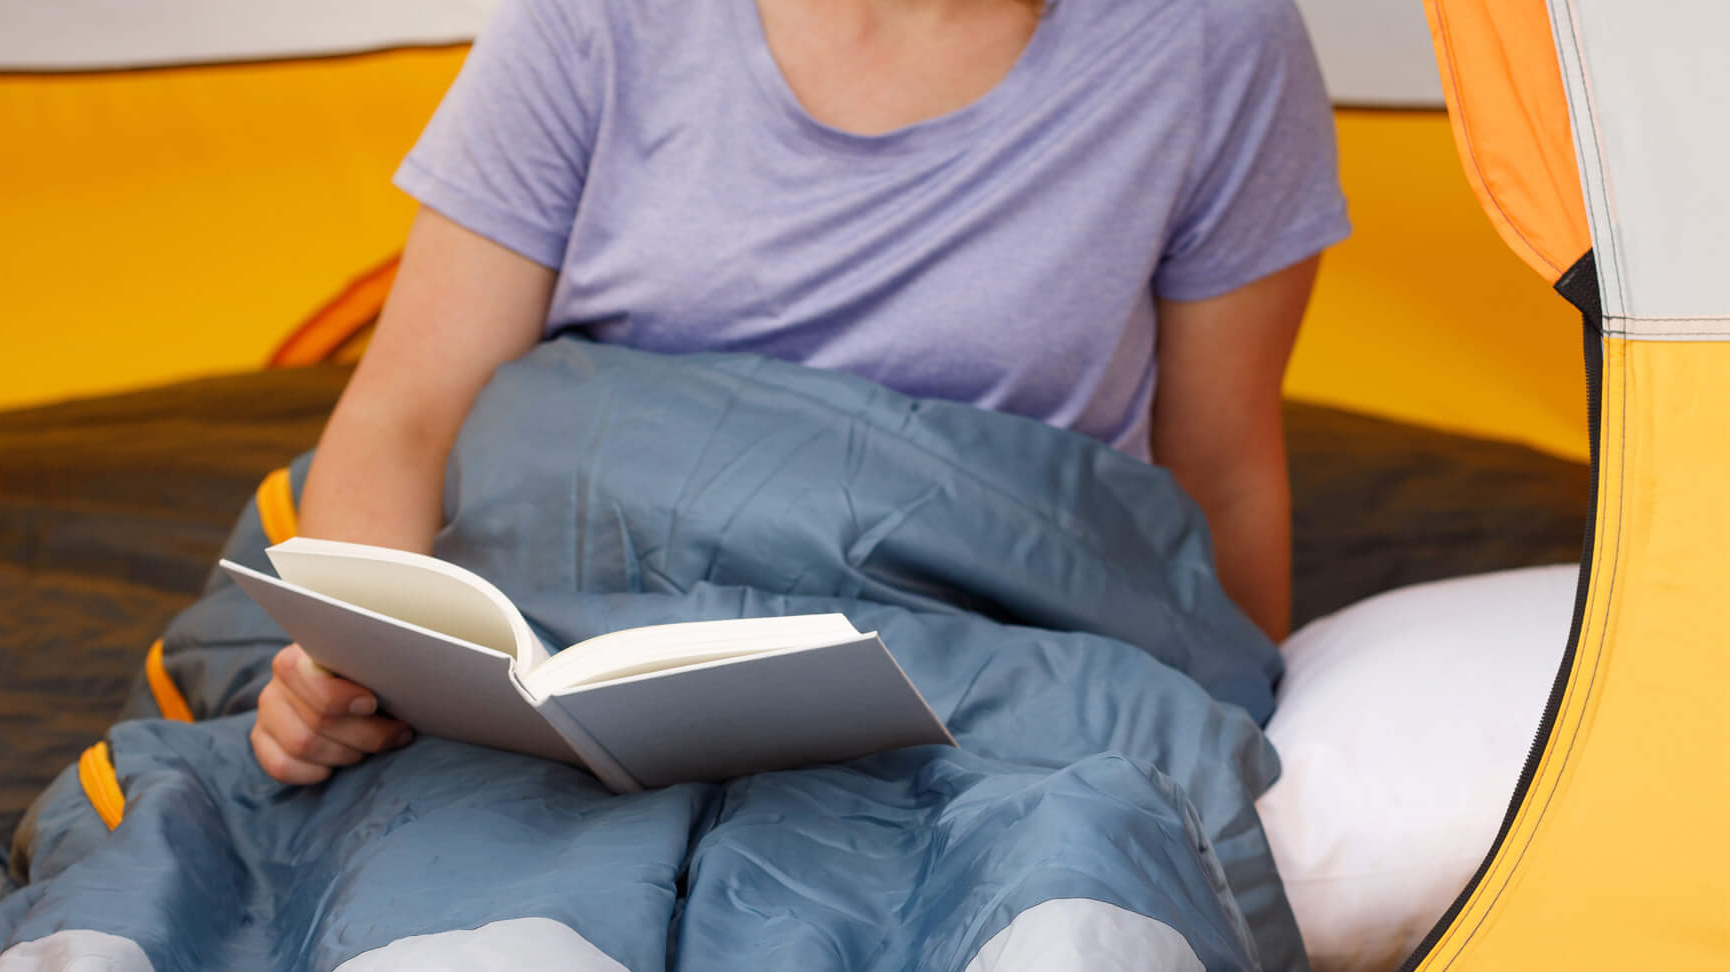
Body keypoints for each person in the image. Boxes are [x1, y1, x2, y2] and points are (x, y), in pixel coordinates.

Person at [251, 0, 1349, 786]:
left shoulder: (1214, 38)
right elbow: (404, 417)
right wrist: (351, 671)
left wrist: (1234, 746)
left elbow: (1219, 480)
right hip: (581, 655)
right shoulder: (602, 20)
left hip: (982, 678)